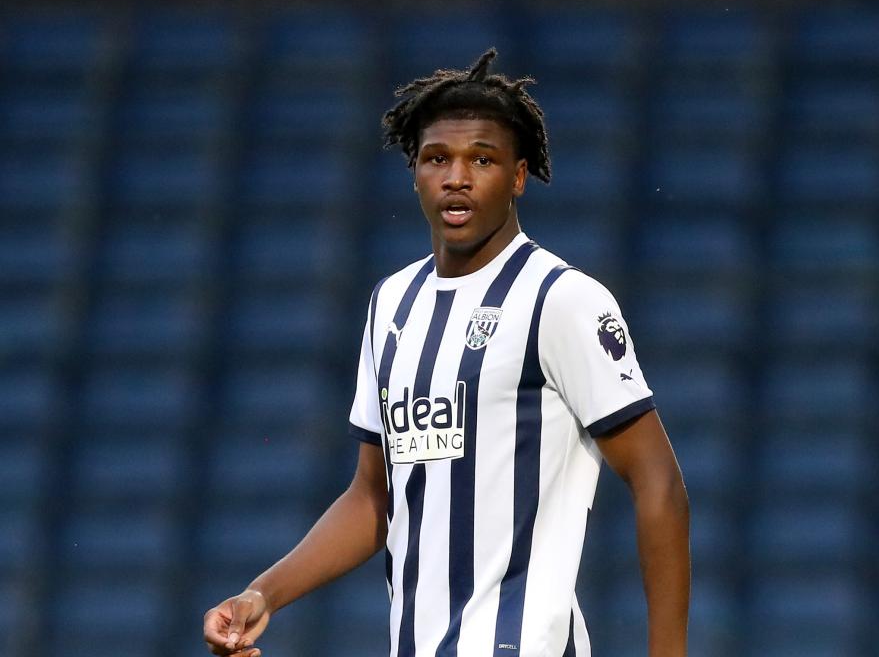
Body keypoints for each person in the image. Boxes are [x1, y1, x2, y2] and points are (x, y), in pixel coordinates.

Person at [203, 48, 690, 657]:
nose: (456, 177)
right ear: (415, 172)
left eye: (481, 159)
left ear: (517, 176)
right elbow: (372, 497)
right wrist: (262, 595)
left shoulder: (560, 300)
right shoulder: (392, 305)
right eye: (438, 159)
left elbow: (658, 480)